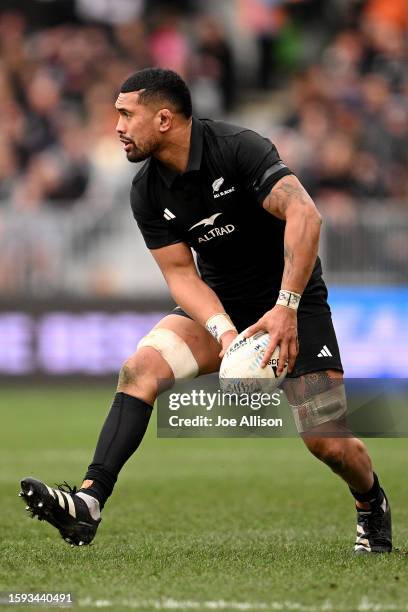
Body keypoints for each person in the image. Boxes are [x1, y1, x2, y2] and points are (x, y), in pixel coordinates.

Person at [20, 68, 391, 553]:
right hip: (222, 304)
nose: (117, 126)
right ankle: (90, 501)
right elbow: (180, 275)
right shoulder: (146, 190)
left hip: (294, 302)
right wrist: (222, 330)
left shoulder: (239, 148)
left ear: (165, 119)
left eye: (126, 114)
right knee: (140, 369)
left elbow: (306, 214)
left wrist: (286, 307)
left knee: (328, 444)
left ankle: (371, 502)